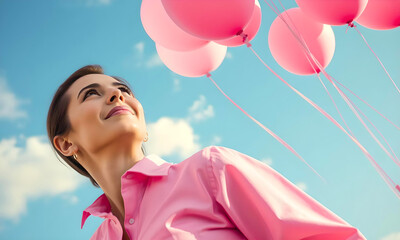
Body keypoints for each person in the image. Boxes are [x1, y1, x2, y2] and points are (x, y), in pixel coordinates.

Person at [47, 65, 366, 240]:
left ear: (143, 127)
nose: (117, 94)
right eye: (92, 94)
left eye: (124, 90)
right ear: (65, 143)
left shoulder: (210, 171)